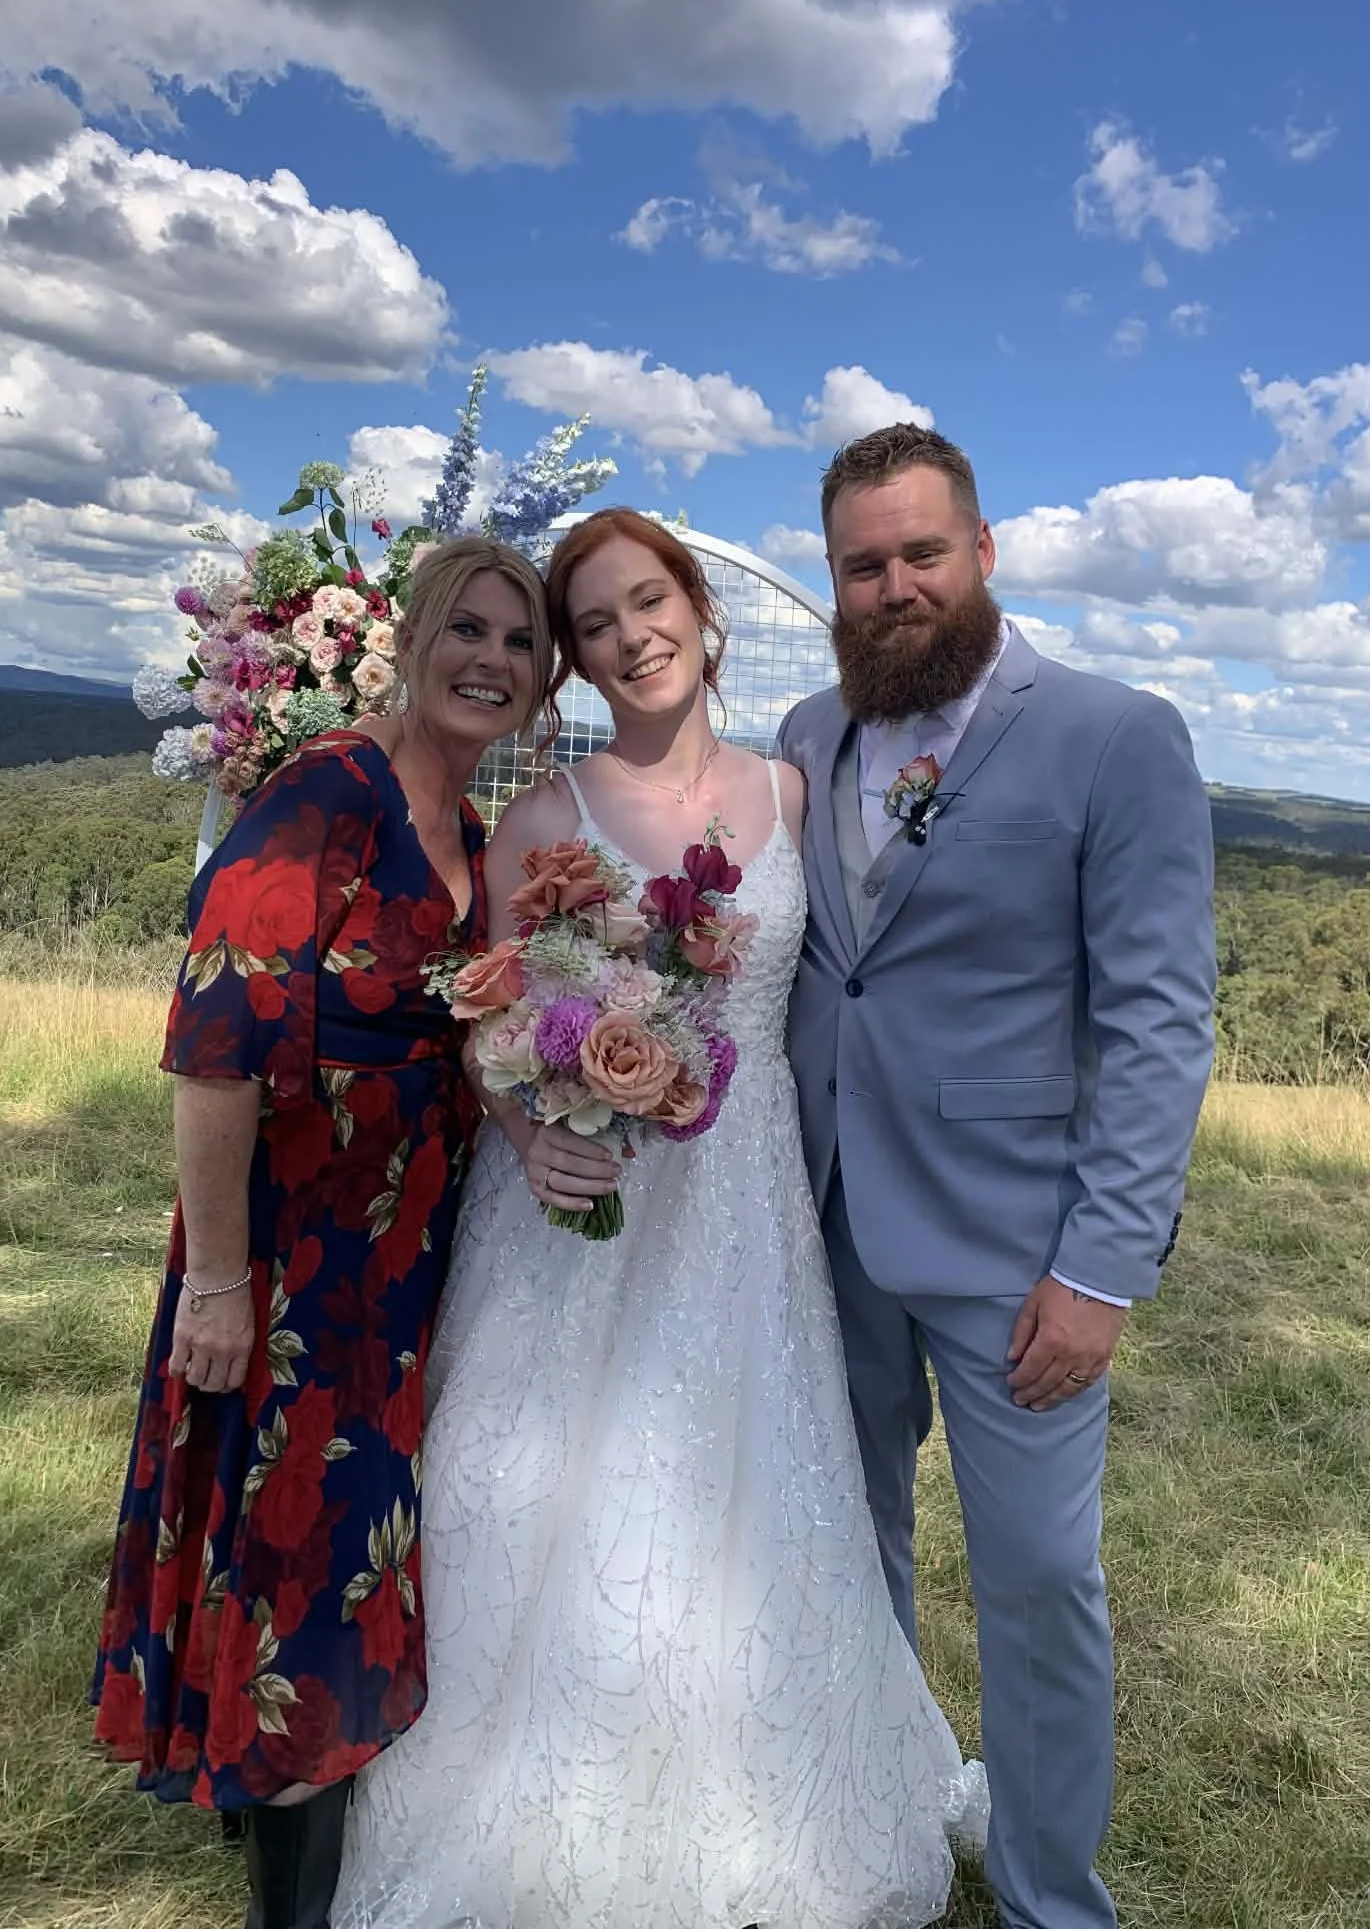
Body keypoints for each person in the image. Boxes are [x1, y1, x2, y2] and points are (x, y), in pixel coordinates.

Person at [333, 506, 985, 1929]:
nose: (632, 636)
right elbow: (486, 1020)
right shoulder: (545, 824)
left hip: (746, 1225)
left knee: (752, 1505)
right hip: (579, 1213)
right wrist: (531, 1126)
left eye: (649, 602)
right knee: (534, 1496)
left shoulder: (793, 794)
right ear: (576, 665)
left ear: (699, 608)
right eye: (595, 625)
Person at [780, 423, 1217, 1929]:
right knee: (846, 1552)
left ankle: (1049, 1897)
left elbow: (1160, 1019)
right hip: (824, 1223)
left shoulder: (1115, 733)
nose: (892, 586)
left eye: (920, 552)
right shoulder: (801, 734)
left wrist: (1102, 1269)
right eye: (860, 564)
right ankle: (881, 1828)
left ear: (983, 550)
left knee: (1038, 1587)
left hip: (1018, 1255)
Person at [92, 537, 553, 1929]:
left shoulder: (472, 835)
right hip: (289, 1263)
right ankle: (291, 1902)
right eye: (465, 628)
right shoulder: (325, 794)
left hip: (403, 1271)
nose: (490, 658)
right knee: (302, 1564)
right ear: (411, 641)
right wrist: (220, 1286)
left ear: (542, 686)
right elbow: (216, 1048)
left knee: (315, 1558)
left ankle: (267, 1808)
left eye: (520, 643)